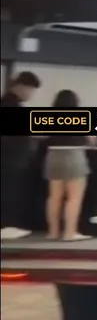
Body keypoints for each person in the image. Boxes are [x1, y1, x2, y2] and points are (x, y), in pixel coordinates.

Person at [43, 89, 96, 241]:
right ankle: (69, 232)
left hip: (53, 156)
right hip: (74, 156)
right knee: (74, 198)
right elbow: (92, 140)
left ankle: (53, 232)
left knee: (54, 197)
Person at [1, 72, 42, 240]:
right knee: (9, 191)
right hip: (10, 159)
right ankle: (6, 225)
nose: (31, 95)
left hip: (11, 158)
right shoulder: (10, 106)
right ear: (21, 87)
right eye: (31, 90)